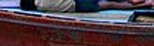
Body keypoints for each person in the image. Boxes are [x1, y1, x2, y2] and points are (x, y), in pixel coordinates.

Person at [20, 0, 154, 12]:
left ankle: (145, 4)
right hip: (79, 3)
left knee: (111, 4)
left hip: (78, 7)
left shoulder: (41, 7)